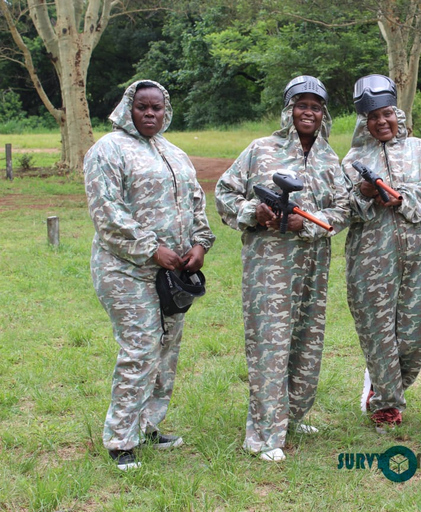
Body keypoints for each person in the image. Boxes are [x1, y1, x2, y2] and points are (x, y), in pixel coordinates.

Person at [215, 76, 350, 462]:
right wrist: (253, 212)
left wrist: (304, 223)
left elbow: (341, 211)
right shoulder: (261, 150)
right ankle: (263, 435)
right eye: (301, 104)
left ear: (323, 113)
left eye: (316, 106)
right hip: (268, 266)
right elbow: (225, 193)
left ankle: (292, 414)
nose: (308, 112)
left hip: (312, 266)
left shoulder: (328, 157)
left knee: (307, 340)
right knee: (270, 344)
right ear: (288, 109)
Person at [84, 80, 216, 471]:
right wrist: (150, 249)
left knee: (166, 348)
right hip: (126, 269)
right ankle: (121, 440)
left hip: (172, 273)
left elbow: (195, 201)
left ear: (166, 111)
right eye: (142, 106)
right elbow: (107, 213)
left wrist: (199, 244)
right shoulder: (107, 150)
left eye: (157, 108)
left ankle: (147, 425)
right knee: (140, 348)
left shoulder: (173, 153)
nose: (150, 114)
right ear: (128, 107)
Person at [342, 74, 421, 432]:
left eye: (386, 113)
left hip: (419, 258)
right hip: (371, 261)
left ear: (397, 114)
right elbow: (341, 206)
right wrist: (365, 195)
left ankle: (382, 381)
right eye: (373, 117)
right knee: (377, 331)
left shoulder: (419, 149)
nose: (381, 122)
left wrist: (401, 196)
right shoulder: (353, 159)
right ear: (364, 122)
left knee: (417, 330)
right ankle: (385, 404)